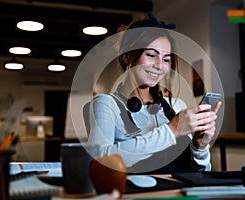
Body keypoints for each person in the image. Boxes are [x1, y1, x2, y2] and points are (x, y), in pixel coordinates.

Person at [88, 13, 221, 173]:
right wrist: (172, 130)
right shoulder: (106, 104)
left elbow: (202, 172)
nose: (160, 65)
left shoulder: (177, 105)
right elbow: (99, 160)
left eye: (166, 59)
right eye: (151, 55)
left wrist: (200, 147)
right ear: (127, 56)